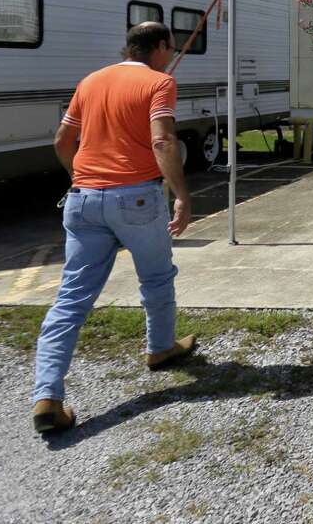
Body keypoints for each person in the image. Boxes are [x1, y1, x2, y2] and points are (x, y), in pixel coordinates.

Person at [32, 21, 197, 434]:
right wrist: (181, 194)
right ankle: (160, 348)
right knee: (157, 276)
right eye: (170, 49)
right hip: (135, 197)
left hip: (83, 199)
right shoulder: (159, 82)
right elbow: (162, 142)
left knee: (71, 297)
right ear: (159, 47)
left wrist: (80, 178)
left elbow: (61, 142)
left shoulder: (91, 81)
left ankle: (47, 396)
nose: (171, 56)